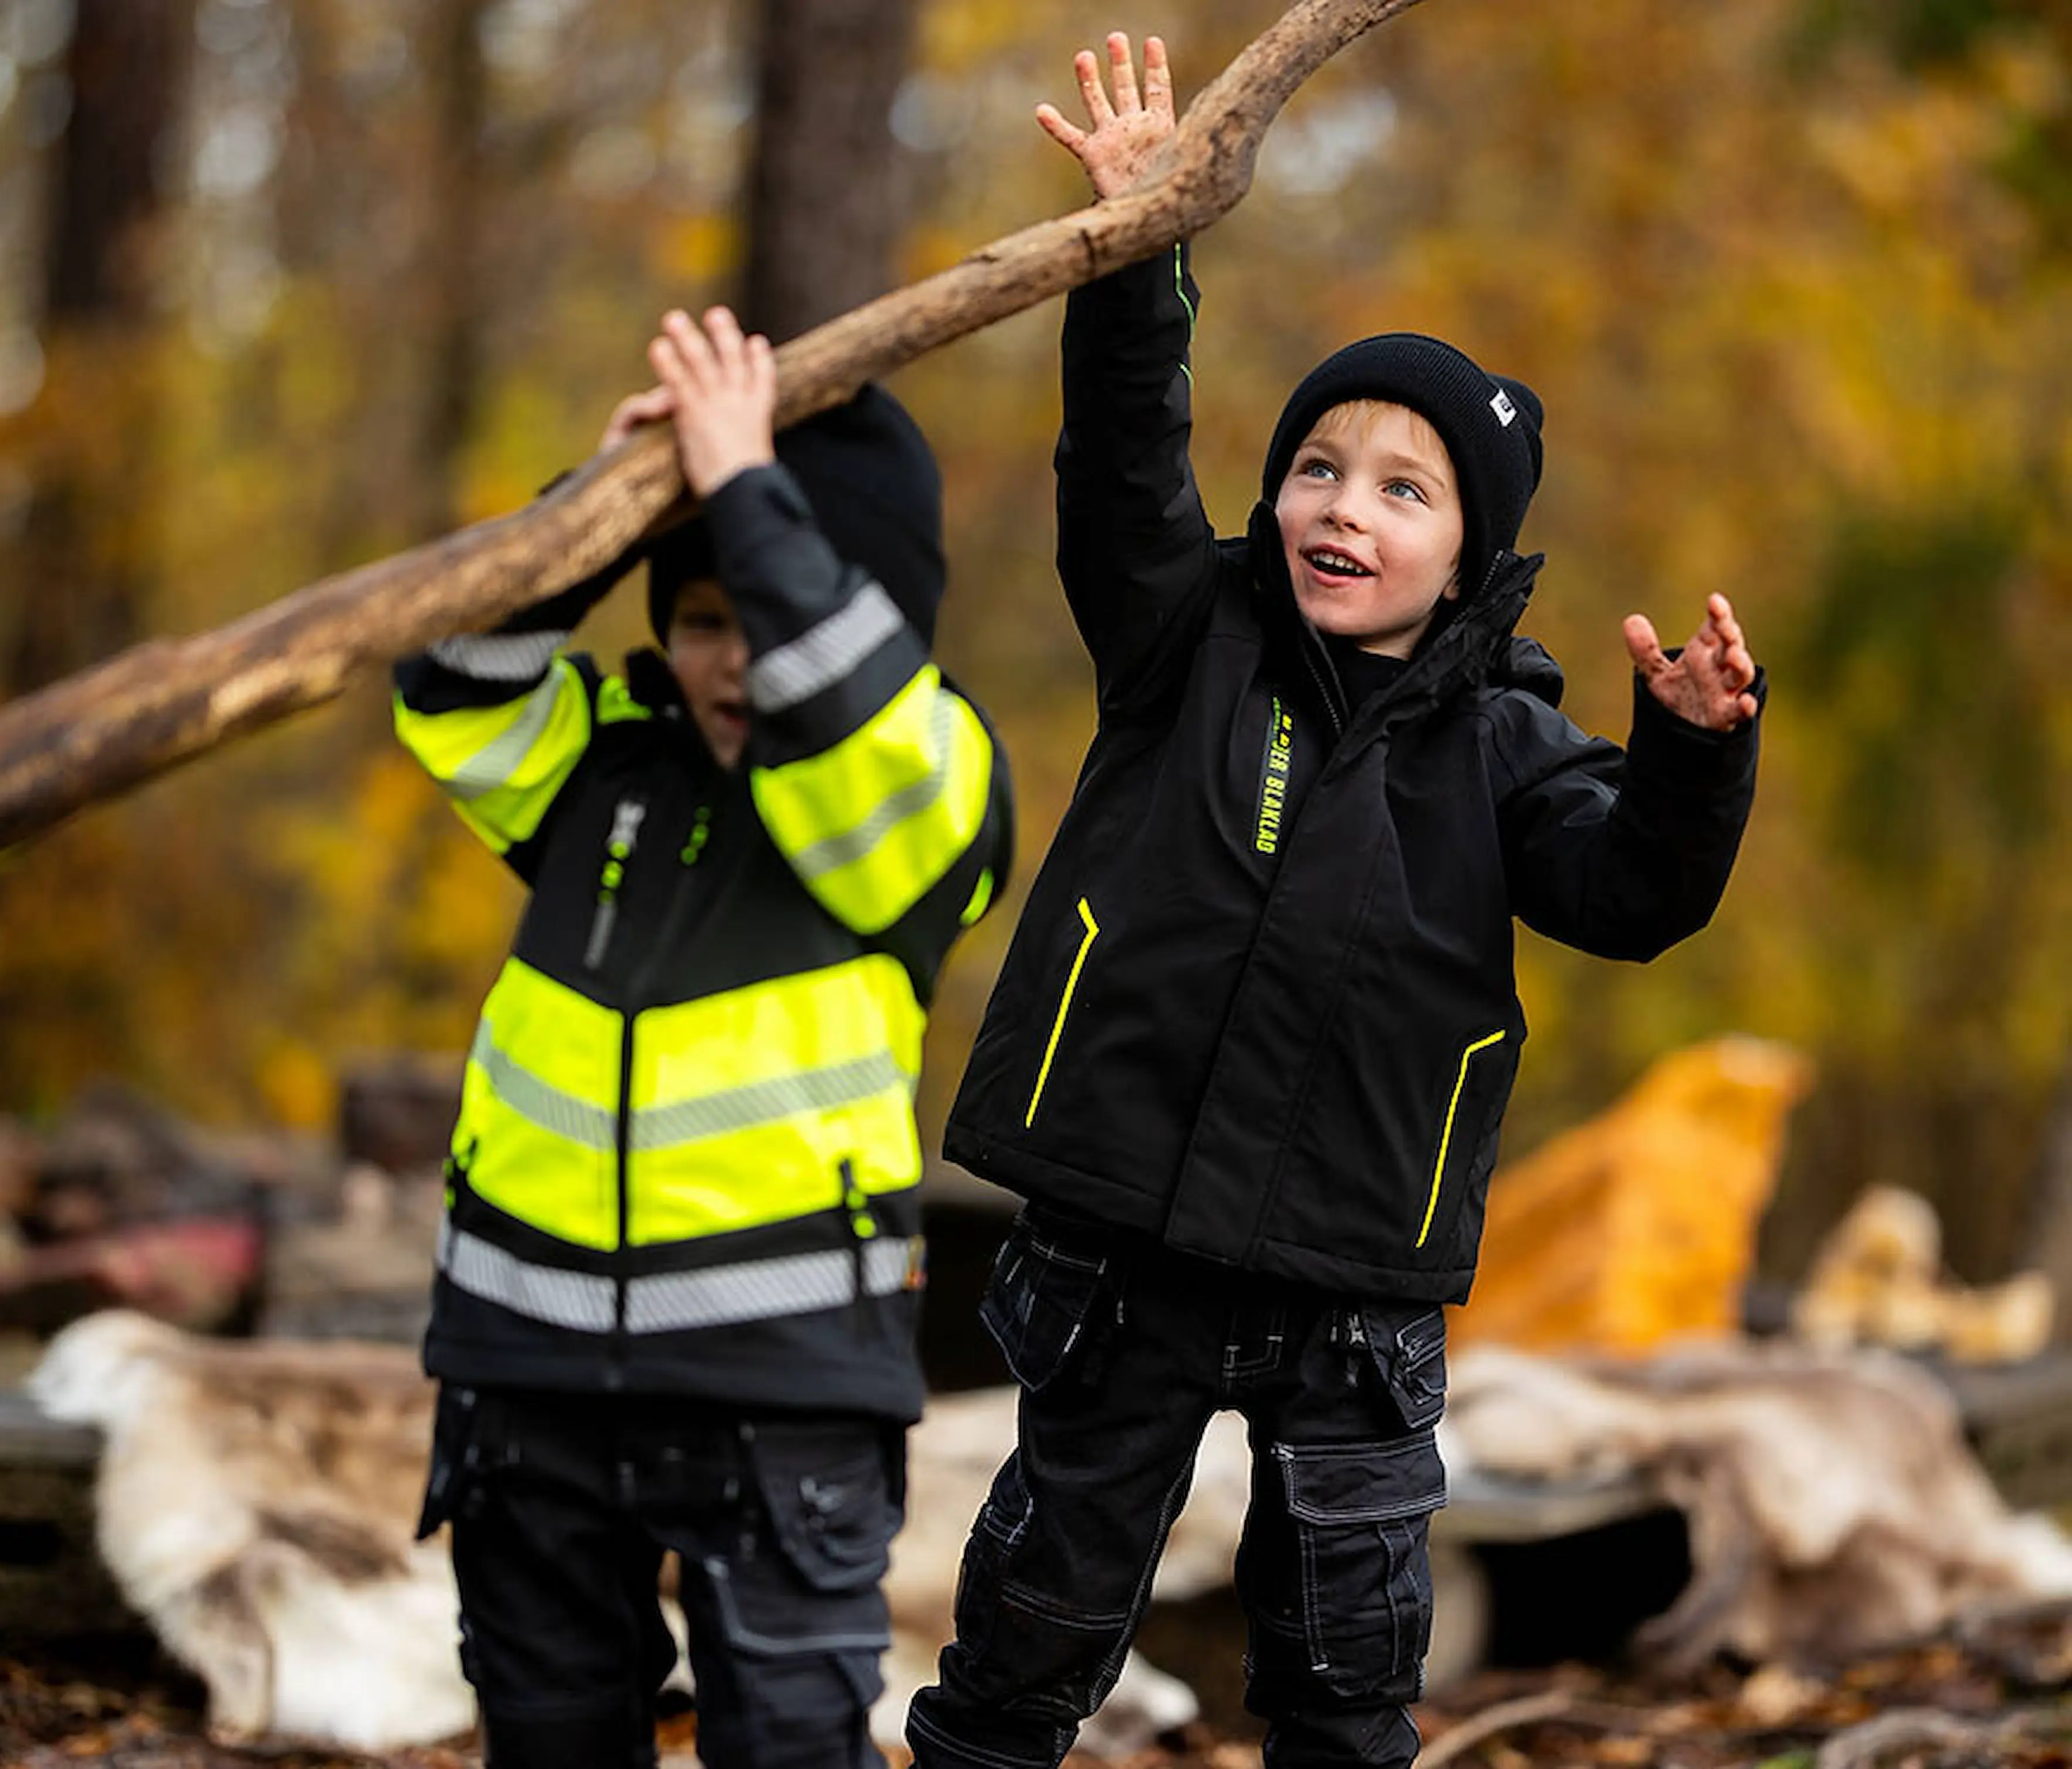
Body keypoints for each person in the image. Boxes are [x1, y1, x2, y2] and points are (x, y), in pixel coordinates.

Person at [906, 32, 1762, 1769]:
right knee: (1032, 1626)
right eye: (1317, 468)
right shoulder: (1185, 636)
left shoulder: (1514, 744)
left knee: (1348, 1673)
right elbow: (1126, 462)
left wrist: (1687, 758)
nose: (1341, 509)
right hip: (1121, 1245)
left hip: (1352, 1285)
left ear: (1474, 547)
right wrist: (1141, 257)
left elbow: (1632, 896)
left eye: (1401, 487)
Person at [396, 305, 1013, 1769]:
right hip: (522, 1364)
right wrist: (596, 517)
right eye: (701, 617)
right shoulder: (598, 755)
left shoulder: (927, 778)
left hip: (776, 1380)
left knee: (788, 1741)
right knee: (546, 1730)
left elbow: (856, 728)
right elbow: (447, 676)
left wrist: (748, 493)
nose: (733, 658)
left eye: (764, 606)